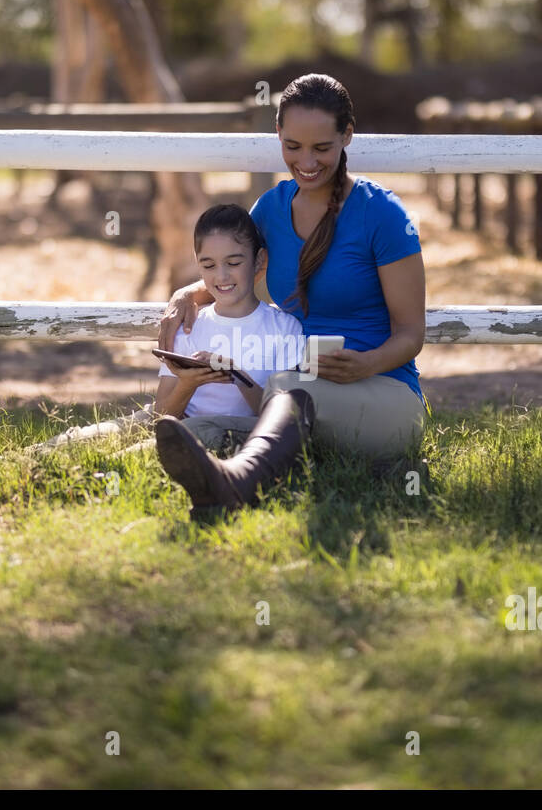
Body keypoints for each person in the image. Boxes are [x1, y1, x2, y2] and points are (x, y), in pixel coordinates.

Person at [154, 73, 428, 518]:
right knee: (216, 421)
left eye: (322, 148)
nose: (307, 162)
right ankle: (223, 457)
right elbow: (235, 268)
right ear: (278, 135)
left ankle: (233, 482)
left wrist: (368, 363)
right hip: (294, 390)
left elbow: (412, 332)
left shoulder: (382, 214)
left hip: (382, 391)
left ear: (347, 136)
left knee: (282, 389)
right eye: (293, 146)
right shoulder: (270, 210)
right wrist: (189, 293)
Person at [32, 204, 303, 456]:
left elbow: (278, 417)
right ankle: (24, 457)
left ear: (258, 261)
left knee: (174, 439)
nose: (221, 276)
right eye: (208, 265)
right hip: (178, 419)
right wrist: (188, 383)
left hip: (232, 429)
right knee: (98, 434)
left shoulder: (283, 328)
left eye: (233, 263)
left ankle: (116, 463)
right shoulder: (190, 323)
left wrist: (236, 375)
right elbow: (161, 416)